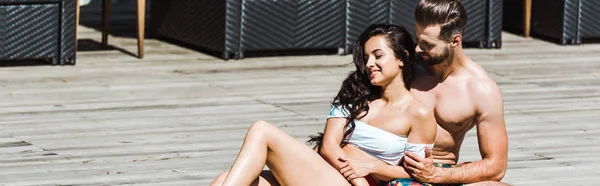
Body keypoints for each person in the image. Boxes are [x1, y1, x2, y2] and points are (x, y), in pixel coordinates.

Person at [209, 24, 437, 186]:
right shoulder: (355, 92)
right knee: (222, 180)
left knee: (262, 130)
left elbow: (413, 172)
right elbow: (328, 145)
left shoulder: (418, 113)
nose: (370, 64)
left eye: (378, 56)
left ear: (402, 58)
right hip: (323, 171)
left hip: (350, 182)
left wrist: (371, 168)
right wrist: (356, 176)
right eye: (366, 57)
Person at [382, 0, 509, 185]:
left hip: (442, 172)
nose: (418, 48)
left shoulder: (481, 89)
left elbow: (496, 166)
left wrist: (436, 175)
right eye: (418, 39)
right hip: (391, 169)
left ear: (454, 41)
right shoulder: (406, 66)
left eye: (428, 44)